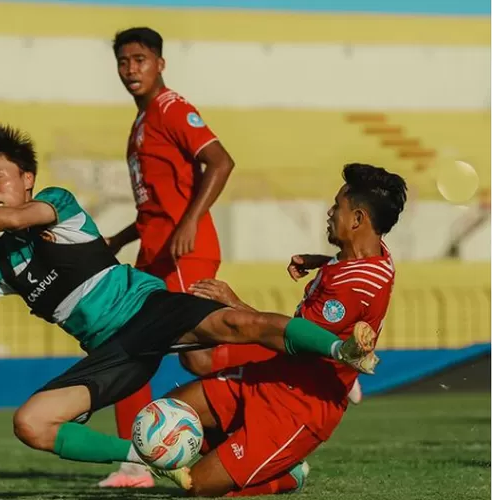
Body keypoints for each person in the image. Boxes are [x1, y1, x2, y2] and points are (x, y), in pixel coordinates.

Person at [0, 123, 379, 476]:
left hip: (148, 308)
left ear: (26, 179)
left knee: (237, 324)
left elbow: (16, 218)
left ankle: (340, 353)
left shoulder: (54, 204)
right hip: (113, 353)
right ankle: (159, 461)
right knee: (31, 423)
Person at [161, 163, 407, 496]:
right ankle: (246, 453)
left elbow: (290, 338)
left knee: (196, 487)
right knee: (166, 413)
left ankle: (287, 475)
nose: (330, 213)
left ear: (358, 219)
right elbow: (353, 261)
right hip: (273, 376)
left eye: (337, 206)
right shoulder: (369, 256)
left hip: (299, 409)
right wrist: (320, 260)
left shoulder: (354, 287)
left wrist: (234, 304)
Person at [101, 26, 237, 487]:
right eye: (123, 61)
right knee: (181, 355)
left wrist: (190, 222)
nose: (130, 69)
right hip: (155, 254)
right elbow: (154, 206)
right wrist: (118, 240)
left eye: (140, 59)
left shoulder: (171, 108)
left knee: (155, 348)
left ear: (160, 63)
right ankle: (135, 461)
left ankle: (307, 359)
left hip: (184, 252)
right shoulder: (141, 122)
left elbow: (221, 161)